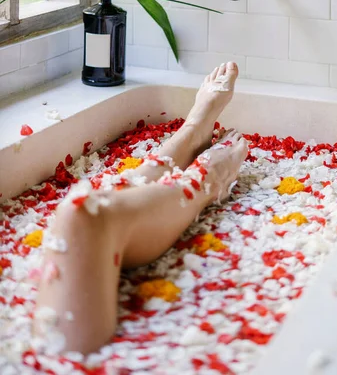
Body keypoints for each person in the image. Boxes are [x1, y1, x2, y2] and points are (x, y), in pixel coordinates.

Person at [34, 62, 248, 354]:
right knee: (82, 215)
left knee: (85, 211)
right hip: (72, 344)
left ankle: (185, 143)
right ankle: (203, 180)